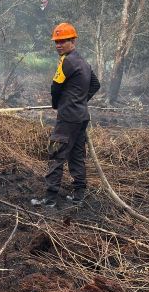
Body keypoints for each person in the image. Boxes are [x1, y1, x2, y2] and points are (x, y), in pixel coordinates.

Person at [31, 23, 100, 208]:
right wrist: (80, 101)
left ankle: (50, 199)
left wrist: (58, 104)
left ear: (73, 41)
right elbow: (95, 85)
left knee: (56, 155)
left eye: (63, 41)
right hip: (81, 117)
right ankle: (79, 196)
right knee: (77, 156)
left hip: (68, 118)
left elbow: (55, 87)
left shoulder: (66, 61)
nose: (58, 45)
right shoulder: (83, 62)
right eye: (57, 42)